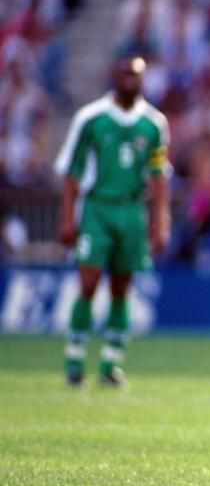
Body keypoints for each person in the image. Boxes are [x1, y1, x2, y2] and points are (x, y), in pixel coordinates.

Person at [54, 57, 171, 387]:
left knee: (123, 287)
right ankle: (75, 358)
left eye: (137, 75)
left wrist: (160, 222)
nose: (132, 80)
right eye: (126, 74)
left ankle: (111, 363)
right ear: (115, 77)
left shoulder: (154, 124)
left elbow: (159, 176)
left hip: (132, 209)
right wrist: (67, 218)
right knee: (89, 281)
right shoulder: (91, 119)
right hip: (98, 208)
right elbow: (72, 172)